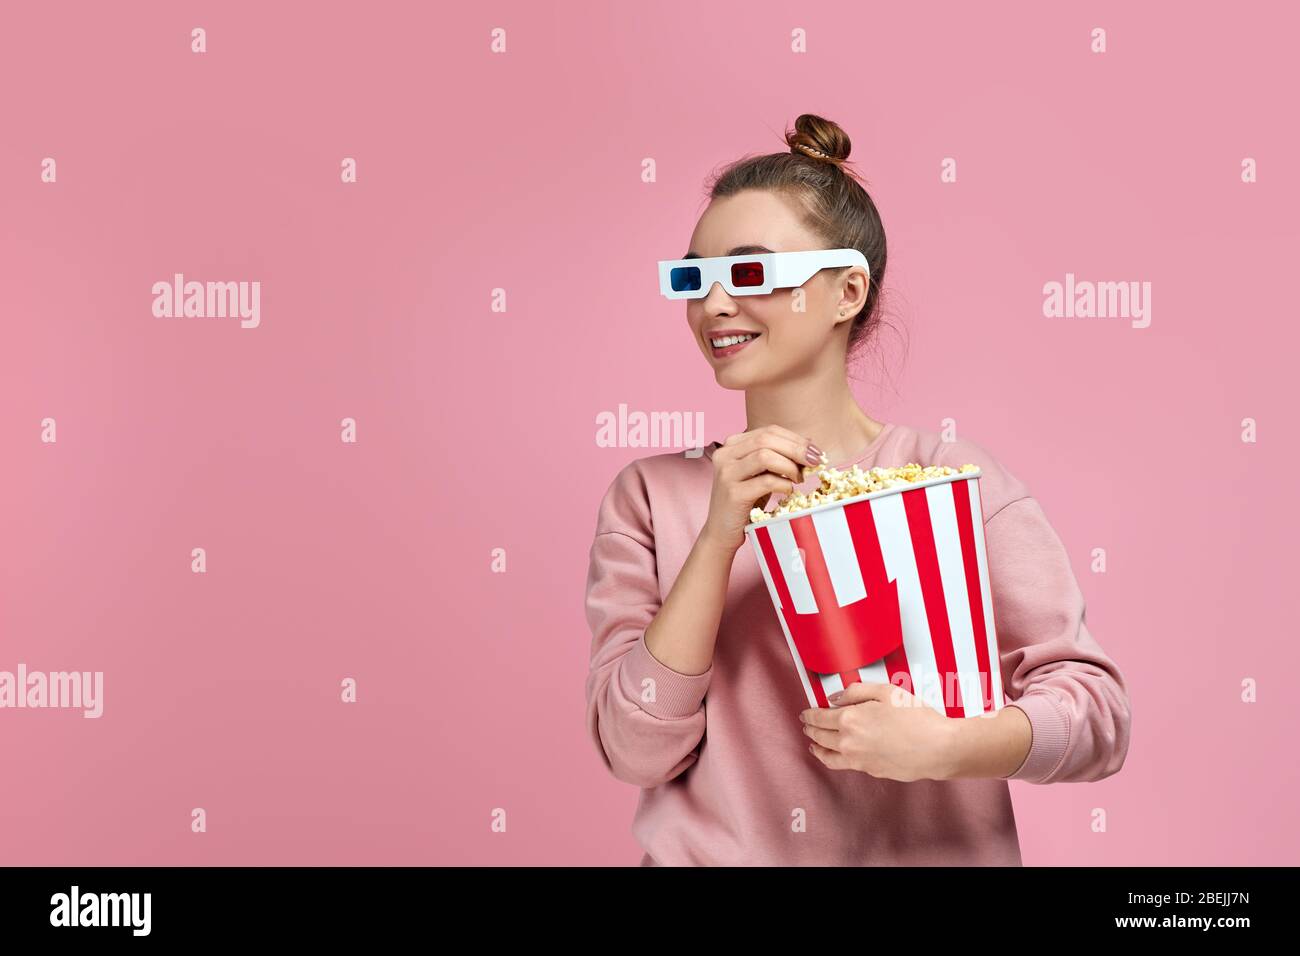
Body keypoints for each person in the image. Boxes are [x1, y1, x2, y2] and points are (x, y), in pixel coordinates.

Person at [583, 113, 1132, 866]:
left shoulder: (955, 482)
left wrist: (948, 747)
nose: (713, 306)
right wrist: (716, 541)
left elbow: (1098, 717)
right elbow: (633, 749)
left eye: (749, 274)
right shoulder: (651, 497)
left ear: (846, 292)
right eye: (694, 278)